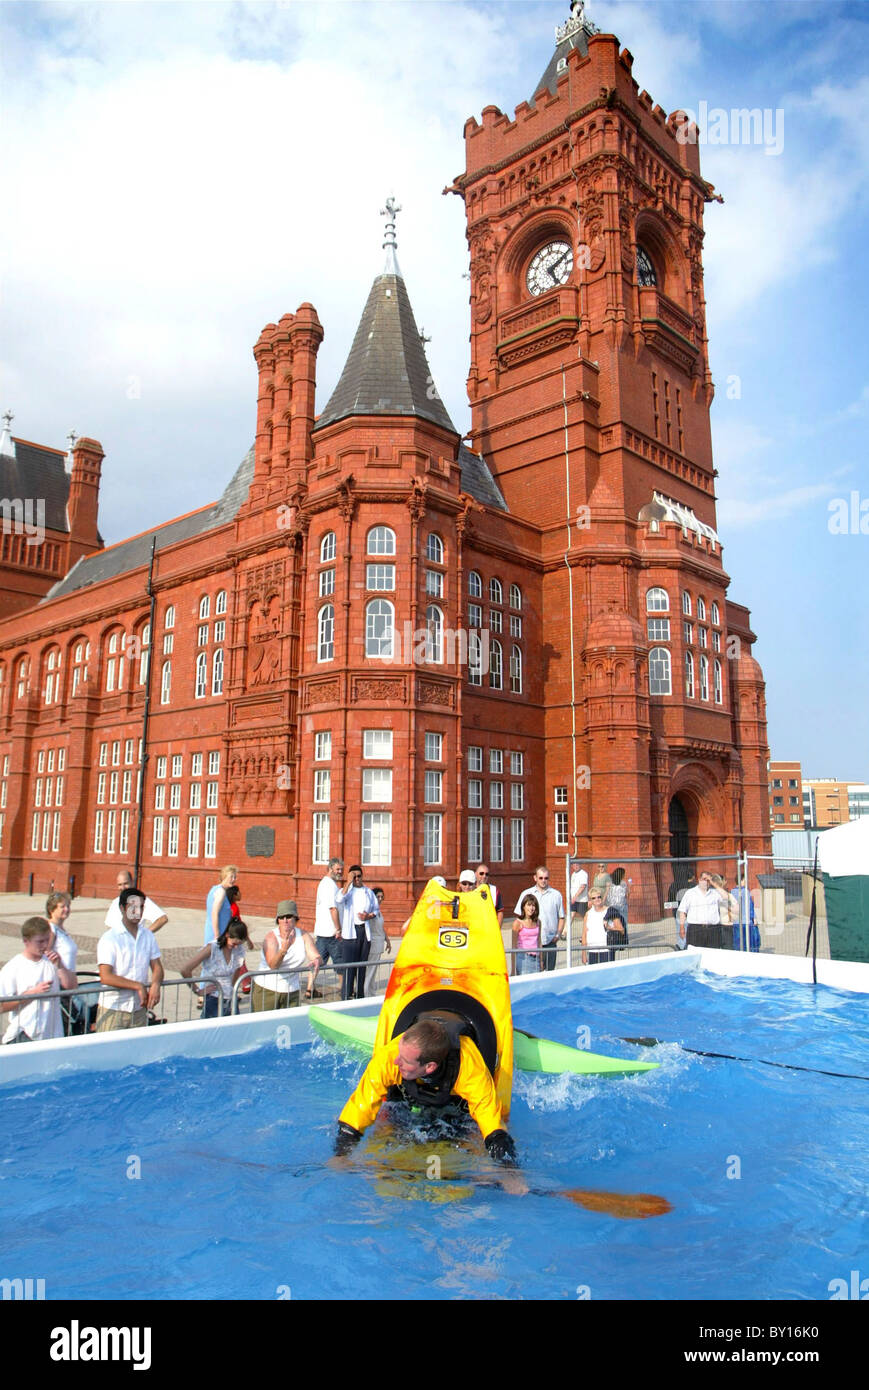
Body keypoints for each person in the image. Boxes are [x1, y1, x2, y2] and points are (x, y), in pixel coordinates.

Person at [334, 1015, 519, 1170]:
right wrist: (341, 1154)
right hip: (406, 1101)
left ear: (430, 1067)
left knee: (474, 1145)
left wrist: (509, 1172)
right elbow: (359, 1109)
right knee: (384, 1132)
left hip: (457, 1108)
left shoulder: (470, 1069)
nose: (396, 1061)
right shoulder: (389, 1057)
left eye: (405, 1060)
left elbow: (492, 1124)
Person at [95, 888, 164, 1031]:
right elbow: (106, 976)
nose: (137, 911)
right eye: (132, 906)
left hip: (138, 1008)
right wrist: (137, 986)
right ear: (122, 908)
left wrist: (156, 984)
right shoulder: (110, 938)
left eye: (140, 907)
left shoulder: (148, 936)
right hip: (114, 1008)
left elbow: (157, 966)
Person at [0, 918, 76, 1044]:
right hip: (23, 1034)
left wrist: (60, 966)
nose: (45, 945)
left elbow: (72, 986)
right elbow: (2, 1006)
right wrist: (33, 994)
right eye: (40, 942)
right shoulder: (13, 967)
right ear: (26, 941)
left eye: (47, 940)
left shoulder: (53, 961)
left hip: (52, 1035)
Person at [252, 900, 321, 1012]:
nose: (285, 921)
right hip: (267, 989)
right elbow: (273, 966)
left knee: (290, 1026)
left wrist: (317, 960)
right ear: (277, 920)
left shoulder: (303, 935)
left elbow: (314, 954)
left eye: (288, 916)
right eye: (281, 917)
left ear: (295, 918)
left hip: (291, 990)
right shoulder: (271, 938)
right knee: (264, 1027)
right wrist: (284, 949)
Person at [181, 919, 252, 1018]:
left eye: (239, 944)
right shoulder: (212, 948)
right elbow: (185, 969)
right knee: (210, 1030)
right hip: (213, 998)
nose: (236, 947)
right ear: (227, 935)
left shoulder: (239, 950)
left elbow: (237, 969)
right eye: (234, 944)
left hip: (231, 998)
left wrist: (232, 988)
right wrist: (197, 990)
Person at [513, 867, 565, 972]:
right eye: (540, 878)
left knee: (549, 974)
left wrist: (557, 935)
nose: (543, 880)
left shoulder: (556, 895)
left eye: (546, 878)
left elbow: (561, 917)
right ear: (535, 878)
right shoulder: (526, 894)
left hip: (550, 941)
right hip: (530, 947)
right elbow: (519, 917)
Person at [339, 865, 378, 1001]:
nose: (356, 879)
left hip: (364, 931)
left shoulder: (368, 892)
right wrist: (348, 883)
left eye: (358, 876)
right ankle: (346, 995)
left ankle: (359, 995)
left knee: (362, 968)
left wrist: (369, 916)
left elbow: (376, 910)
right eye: (353, 876)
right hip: (350, 933)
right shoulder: (347, 891)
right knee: (349, 968)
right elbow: (339, 899)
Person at [45, 891, 81, 1033]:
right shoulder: (51, 929)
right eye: (62, 906)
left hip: (68, 985)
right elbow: (46, 954)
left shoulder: (62, 930)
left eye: (68, 906)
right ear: (51, 909)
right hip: (59, 986)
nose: (66, 909)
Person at [676, 869, 731, 950]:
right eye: (705, 879)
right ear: (699, 880)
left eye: (709, 880)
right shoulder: (690, 893)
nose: (706, 882)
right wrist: (681, 927)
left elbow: (726, 897)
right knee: (695, 953)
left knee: (713, 953)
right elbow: (682, 911)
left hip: (713, 929)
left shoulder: (715, 893)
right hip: (695, 929)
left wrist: (715, 884)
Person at [105, 868, 168, 934]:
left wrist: (144, 934)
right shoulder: (115, 902)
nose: (123, 887)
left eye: (126, 883)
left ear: (132, 882)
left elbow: (162, 919)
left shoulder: (141, 900)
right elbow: (109, 925)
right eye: (120, 884)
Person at [314, 855, 347, 977]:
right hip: (332, 933)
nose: (340, 872)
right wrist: (338, 928)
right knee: (340, 964)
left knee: (317, 961)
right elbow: (333, 909)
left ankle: (309, 988)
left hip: (323, 931)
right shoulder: (329, 885)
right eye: (337, 869)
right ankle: (343, 991)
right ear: (330, 868)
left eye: (341, 870)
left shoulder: (326, 883)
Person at [582, 888, 625, 965]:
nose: (597, 899)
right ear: (590, 900)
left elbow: (621, 930)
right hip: (592, 950)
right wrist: (584, 954)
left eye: (599, 897)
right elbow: (584, 934)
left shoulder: (610, 911)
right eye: (594, 898)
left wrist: (610, 927)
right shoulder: (588, 914)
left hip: (607, 950)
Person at [364, 886, 391, 997]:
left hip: (379, 943)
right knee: (370, 970)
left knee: (373, 970)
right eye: (377, 896)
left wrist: (387, 940)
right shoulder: (371, 911)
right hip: (373, 943)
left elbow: (381, 928)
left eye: (381, 897)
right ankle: (366, 993)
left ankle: (371, 992)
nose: (380, 899)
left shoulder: (378, 911)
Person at [204, 865, 238, 946]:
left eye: (235, 877)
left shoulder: (216, 889)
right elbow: (214, 913)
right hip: (216, 932)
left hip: (217, 930)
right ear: (224, 876)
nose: (233, 880)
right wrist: (217, 936)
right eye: (231, 877)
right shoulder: (221, 892)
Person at [512, 894, 541, 975]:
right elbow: (513, 947)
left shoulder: (538, 922)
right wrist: (513, 969)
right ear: (523, 907)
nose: (531, 908)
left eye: (533, 905)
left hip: (536, 959)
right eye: (528, 905)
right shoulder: (517, 923)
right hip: (523, 959)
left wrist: (541, 961)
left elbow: (539, 941)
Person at [569, 859, 589, 930]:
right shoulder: (573, 874)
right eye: (574, 865)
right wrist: (572, 897)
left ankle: (586, 934)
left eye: (577, 864)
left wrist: (575, 897)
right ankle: (565, 933)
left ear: (580, 865)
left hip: (582, 901)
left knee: (585, 918)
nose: (576, 866)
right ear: (572, 866)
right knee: (571, 916)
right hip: (574, 900)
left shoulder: (583, 874)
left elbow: (582, 886)